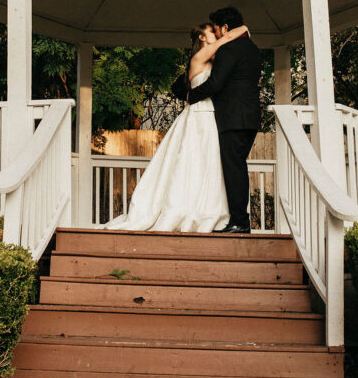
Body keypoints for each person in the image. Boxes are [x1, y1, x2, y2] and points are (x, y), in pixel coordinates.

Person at [104, 21, 250, 232]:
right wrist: (243, 28)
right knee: (189, 162)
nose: (216, 35)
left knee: (209, 164)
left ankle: (207, 210)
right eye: (211, 32)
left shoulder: (216, 60)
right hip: (197, 117)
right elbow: (227, 38)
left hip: (211, 117)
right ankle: (182, 209)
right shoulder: (198, 57)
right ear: (201, 37)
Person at [187, 6, 262, 234]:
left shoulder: (228, 49)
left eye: (217, 29)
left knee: (234, 169)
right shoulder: (253, 48)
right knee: (237, 166)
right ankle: (237, 219)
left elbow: (215, 83)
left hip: (233, 118)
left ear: (225, 27)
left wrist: (191, 96)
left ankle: (239, 222)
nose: (217, 33)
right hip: (250, 117)